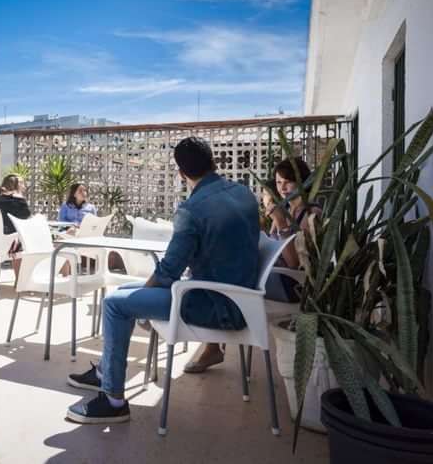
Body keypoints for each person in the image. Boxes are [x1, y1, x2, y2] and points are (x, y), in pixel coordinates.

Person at [65, 137, 259, 424]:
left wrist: (143, 301)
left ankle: (113, 401)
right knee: (124, 291)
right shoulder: (244, 194)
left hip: (213, 305)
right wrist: (143, 296)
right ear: (214, 162)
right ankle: (106, 372)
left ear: (181, 173)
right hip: (243, 301)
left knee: (114, 304)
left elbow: (169, 271)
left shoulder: (192, 210)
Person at [184, 157, 318, 373]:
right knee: (222, 271)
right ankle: (214, 343)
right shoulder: (285, 210)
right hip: (273, 275)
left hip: (292, 284)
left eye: (289, 182)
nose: (282, 188)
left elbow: (295, 264)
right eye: (278, 182)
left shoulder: (310, 215)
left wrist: (281, 223)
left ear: (303, 182)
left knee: (220, 278)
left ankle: (212, 345)